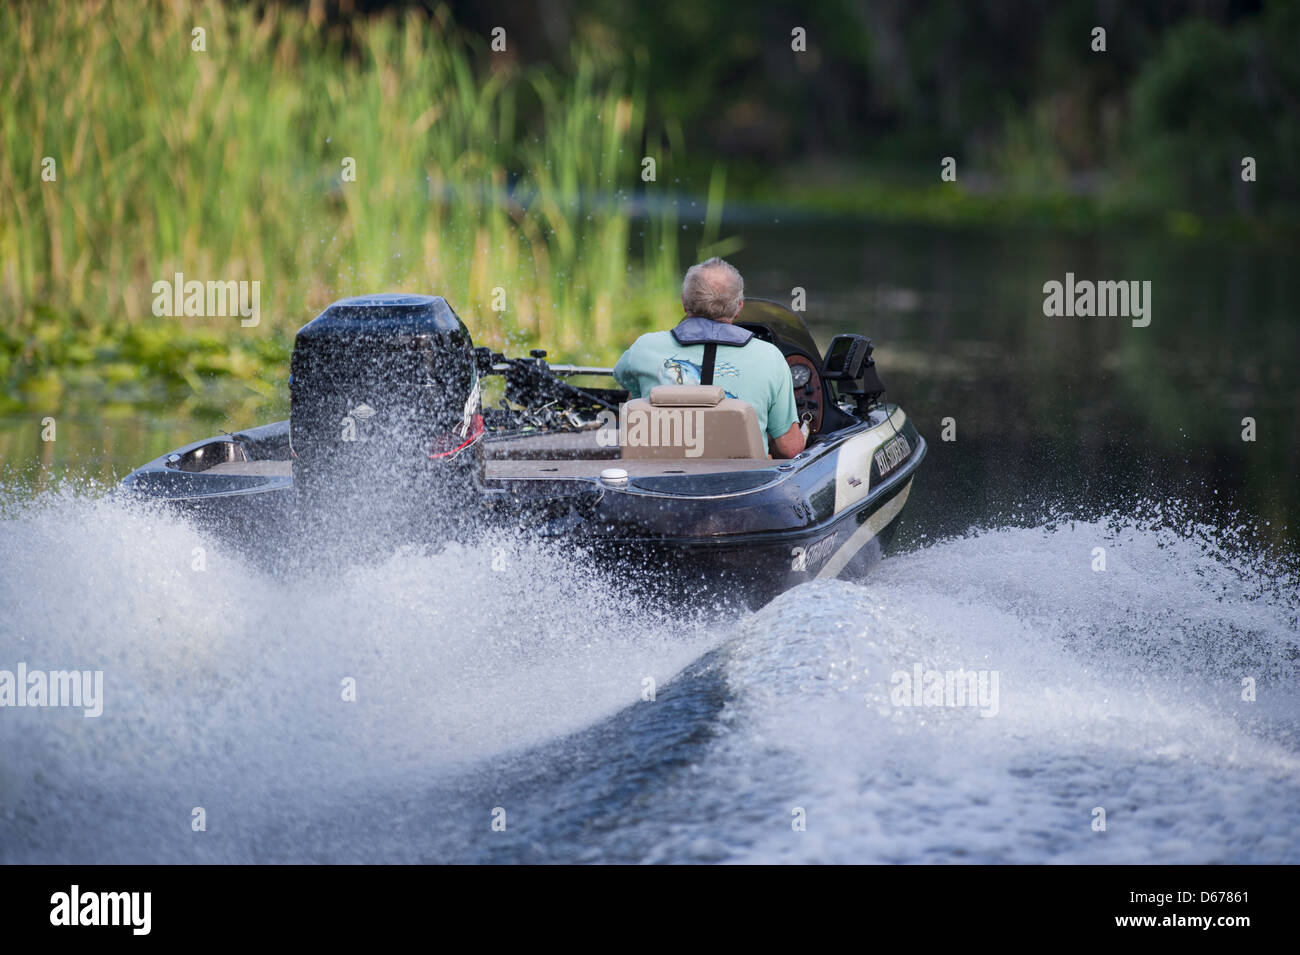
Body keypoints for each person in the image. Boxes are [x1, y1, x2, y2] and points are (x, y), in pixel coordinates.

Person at [613, 257, 805, 458]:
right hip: (741, 485)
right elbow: (790, 448)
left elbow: (629, 396)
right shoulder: (770, 357)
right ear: (739, 307)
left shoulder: (644, 348)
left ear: (684, 303)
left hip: (655, 484)